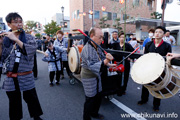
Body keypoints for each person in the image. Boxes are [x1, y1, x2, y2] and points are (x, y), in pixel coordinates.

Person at [0, 12, 43, 120]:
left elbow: (31, 50)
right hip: (11, 76)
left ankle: (36, 117)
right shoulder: (5, 38)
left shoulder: (29, 37)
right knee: (14, 101)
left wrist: (15, 39)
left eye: (20, 21)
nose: (19, 24)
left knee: (31, 98)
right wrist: (0, 44)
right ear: (9, 24)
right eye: (15, 22)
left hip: (26, 74)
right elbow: (2, 57)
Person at [81, 27, 116, 120]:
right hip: (88, 76)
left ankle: (94, 113)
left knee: (98, 96)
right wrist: (106, 61)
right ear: (91, 36)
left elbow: (101, 58)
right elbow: (92, 65)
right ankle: (86, 117)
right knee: (90, 98)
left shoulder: (97, 47)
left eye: (102, 38)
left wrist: (109, 64)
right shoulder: (87, 49)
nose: (101, 39)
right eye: (100, 37)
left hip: (97, 75)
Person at [137, 26, 172, 112]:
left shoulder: (167, 46)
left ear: (163, 34)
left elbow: (168, 58)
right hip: (148, 68)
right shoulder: (149, 44)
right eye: (156, 32)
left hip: (160, 70)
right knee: (145, 85)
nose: (157, 33)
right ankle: (144, 99)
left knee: (158, 87)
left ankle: (156, 105)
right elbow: (145, 56)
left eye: (160, 32)